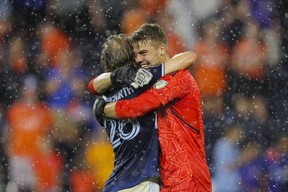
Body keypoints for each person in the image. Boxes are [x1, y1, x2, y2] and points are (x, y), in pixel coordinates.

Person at [93, 23, 212, 191]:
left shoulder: (179, 78)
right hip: (168, 179)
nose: (139, 59)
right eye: (135, 55)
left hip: (187, 176)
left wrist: (103, 109)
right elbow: (94, 85)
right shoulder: (150, 82)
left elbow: (137, 106)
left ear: (161, 49)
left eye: (143, 53)